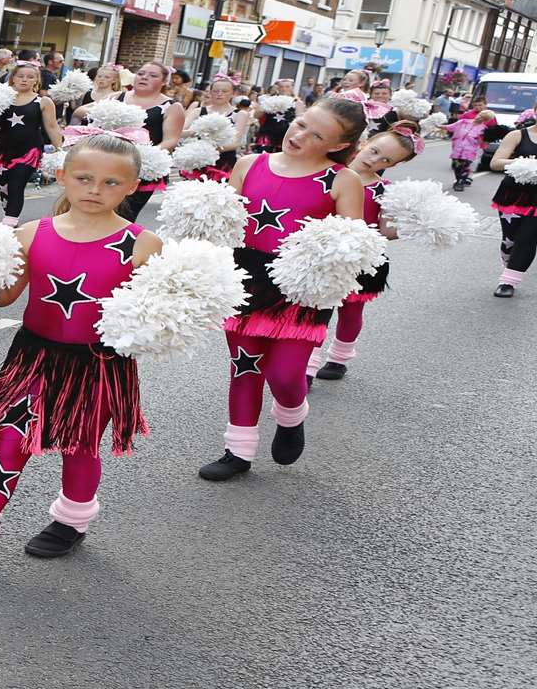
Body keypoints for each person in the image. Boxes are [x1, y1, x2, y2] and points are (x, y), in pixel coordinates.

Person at [0, 133, 162, 570]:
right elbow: (5, 296)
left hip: (99, 363)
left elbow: (154, 316)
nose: (95, 189)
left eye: (111, 182)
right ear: (61, 176)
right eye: (84, 177)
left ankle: (72, 520)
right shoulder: (33, 233)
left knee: (79, 445)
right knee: (9, 438)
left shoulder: (145, 244)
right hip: (33, 357)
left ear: (133, 187)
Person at [199, 97, 367, 483]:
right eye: (302, 123)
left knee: (286, 374)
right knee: (245, 366)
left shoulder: (342, 180)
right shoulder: (249, 164)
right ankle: (238, 449)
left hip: (301, 287)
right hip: (246, 281)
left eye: (317, 134)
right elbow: (223, 224)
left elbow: (352, 243)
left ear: (338, 145)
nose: (300, 134)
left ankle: (292, 415)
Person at [309, 124, 420, 378]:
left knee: (351, 310)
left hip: (362, 259)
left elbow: (384, 230)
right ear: (364, 143)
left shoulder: (385, 190)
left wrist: (413, 225)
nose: (374, 160)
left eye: (386, 160)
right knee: (317, 311)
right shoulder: (329, 173)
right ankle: (308, 364)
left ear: (393, 165)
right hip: (323, 254)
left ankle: (339, 358)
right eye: (374, 151)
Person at [0, 61, 63, 228]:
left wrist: (60, 150)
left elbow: (52, 127)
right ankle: (9, 214)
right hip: (2, 151)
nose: (24, 80)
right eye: (20, 76)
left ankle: (10, 221)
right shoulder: (3, 99)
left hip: (29, 152)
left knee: (17, 184)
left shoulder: (43, 101)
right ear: (13, 78)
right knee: (5, 187)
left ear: (36, 80)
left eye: (30, 77)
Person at [107, 62, 182, 221]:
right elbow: (87, 113)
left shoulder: (171, 106)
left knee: (124, 215)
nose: (145, 77)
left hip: (142, 167)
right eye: (141, 73)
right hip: (108, 161)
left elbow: (171, 140)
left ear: (164, 82)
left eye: (153, 75)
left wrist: (143, 155)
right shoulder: (115, 97)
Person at [488, 112, 537, 297]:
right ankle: (511, 267)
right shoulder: (517, 135)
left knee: (527, 238)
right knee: (510, 240)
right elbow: (496, 163)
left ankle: (508, 282)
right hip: (513, 196)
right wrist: (526, 164)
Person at [447, 94, 495, 191]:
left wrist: (486, 142)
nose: (478, 107)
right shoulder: (467, 115)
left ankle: (465, 178)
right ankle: (460, 177)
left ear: (485, 105)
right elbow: (457, 126)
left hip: (477, 144)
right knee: (457, 164)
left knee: (470, 162)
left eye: (480, 105)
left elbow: (493, 131)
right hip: (461, 144)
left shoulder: (490, 116)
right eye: (476, 105)